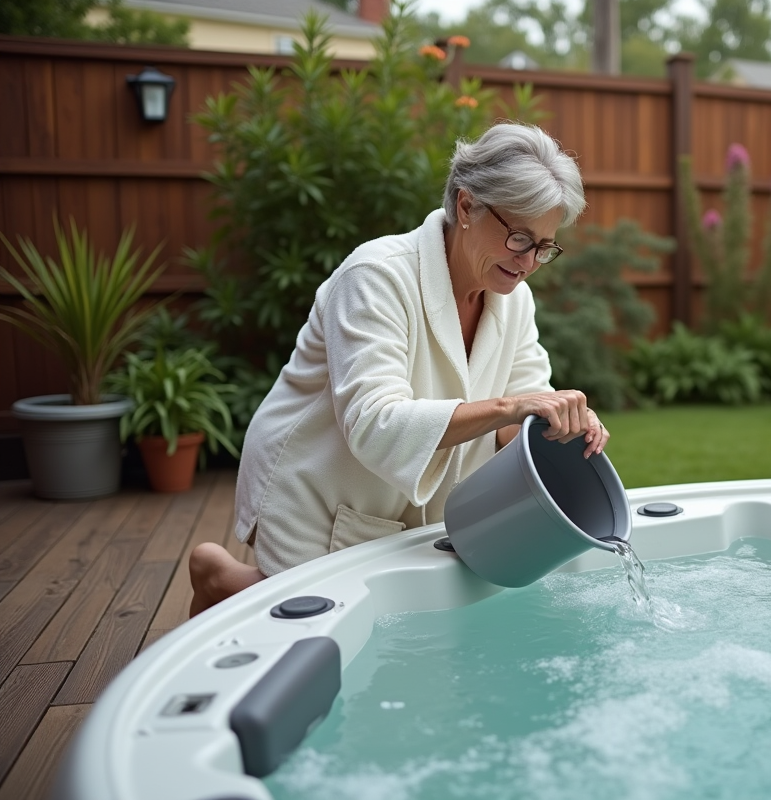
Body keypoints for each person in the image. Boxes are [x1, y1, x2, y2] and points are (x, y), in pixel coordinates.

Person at [188, 123, 606, 617]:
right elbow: (373, 422)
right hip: (317, 480)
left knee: (395, 626)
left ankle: (229, 581)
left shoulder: (515, 302)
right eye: (519, 237)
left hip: (410, 499)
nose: (530, 262)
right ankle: (219, 576)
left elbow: (519, 418)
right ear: (467, 206)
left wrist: (560, 429)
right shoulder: (376, 276)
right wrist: (511, 406)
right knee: (310, 625)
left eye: (544, 247)